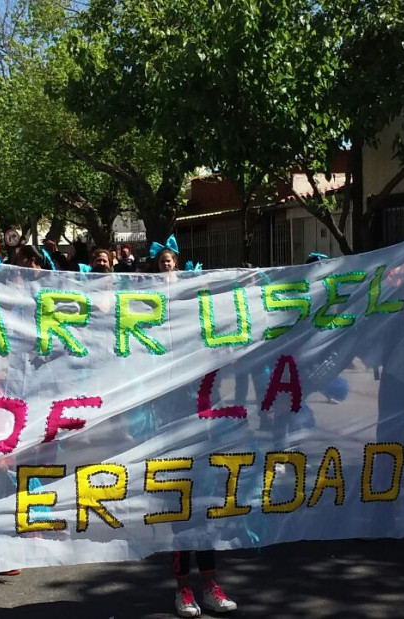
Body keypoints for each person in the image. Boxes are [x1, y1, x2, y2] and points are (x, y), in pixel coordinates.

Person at [154, 247, 237, 617]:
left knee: (204, 511)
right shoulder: (158, 351)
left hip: (204, 433)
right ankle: (183, 589)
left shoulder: (206, 345)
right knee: (180, 512)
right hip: (171, 434)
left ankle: (210, 584)